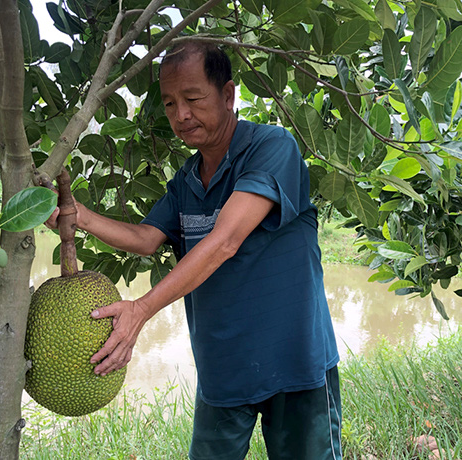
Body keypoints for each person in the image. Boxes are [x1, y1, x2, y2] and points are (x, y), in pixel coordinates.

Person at [46, 40, 342, 460]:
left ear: (227, 94)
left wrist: (141, 309)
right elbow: (147, 238)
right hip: (223, 369)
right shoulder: (185, 180)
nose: (180, 115)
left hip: (296, 364)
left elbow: (224, 241)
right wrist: (79, 216)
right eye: (169, 104)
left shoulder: (272, 148)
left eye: (192, 98)